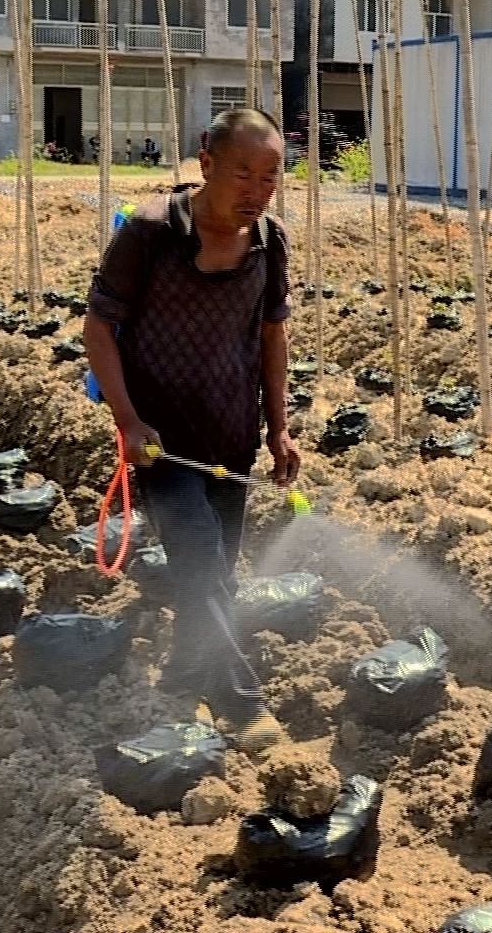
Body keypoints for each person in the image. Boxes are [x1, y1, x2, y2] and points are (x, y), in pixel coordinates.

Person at [83, 108, 297, 753]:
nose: (257, 191)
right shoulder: (150, 234)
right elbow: (98, 328)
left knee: (217, 573)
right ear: (205, 164)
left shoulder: (270, 241)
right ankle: (242, 703)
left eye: (270, 177)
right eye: (243, 174)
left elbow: (272, 334)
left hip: (230, 438)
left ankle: (182, 680)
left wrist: (278, 428)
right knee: (203, 568)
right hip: (161, 444)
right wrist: (126, 419)